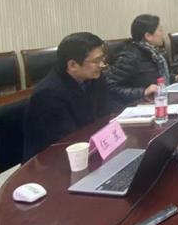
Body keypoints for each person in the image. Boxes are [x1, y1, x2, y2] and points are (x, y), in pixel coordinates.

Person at [23, 32, 112, 160]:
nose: (102, 64)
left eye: (102, 58)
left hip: (89, 149)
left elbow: (105, 114)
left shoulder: (95, 78)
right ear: (72, 65)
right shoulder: (48, 94)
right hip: (51, 161)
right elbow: (66, 140)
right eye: (96, 61)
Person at [106, 14, 178, 106]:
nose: (163, 34)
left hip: (157, 102)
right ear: (148, 36)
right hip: (137, 106)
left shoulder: (154, 54)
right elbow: (109, 86)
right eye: (160, 30)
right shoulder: (131, 56)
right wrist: (143, 92)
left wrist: (176, 78)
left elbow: (157, 79)